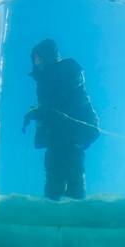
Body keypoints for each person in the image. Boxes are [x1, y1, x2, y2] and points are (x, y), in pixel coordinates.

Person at [22, 39, 99, 200]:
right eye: (35, 59)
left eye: (39, 57)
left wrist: (43, 111)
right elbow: (48, 106)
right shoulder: (44, 80)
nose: (37, 62)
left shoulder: (67, 69)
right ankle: (53, 203)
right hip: (55, 133)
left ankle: (76, 204)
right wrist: (38, 113)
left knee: (73, 167)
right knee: (53, 168)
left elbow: (71, 94)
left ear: (48, 56)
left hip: (72, 130)